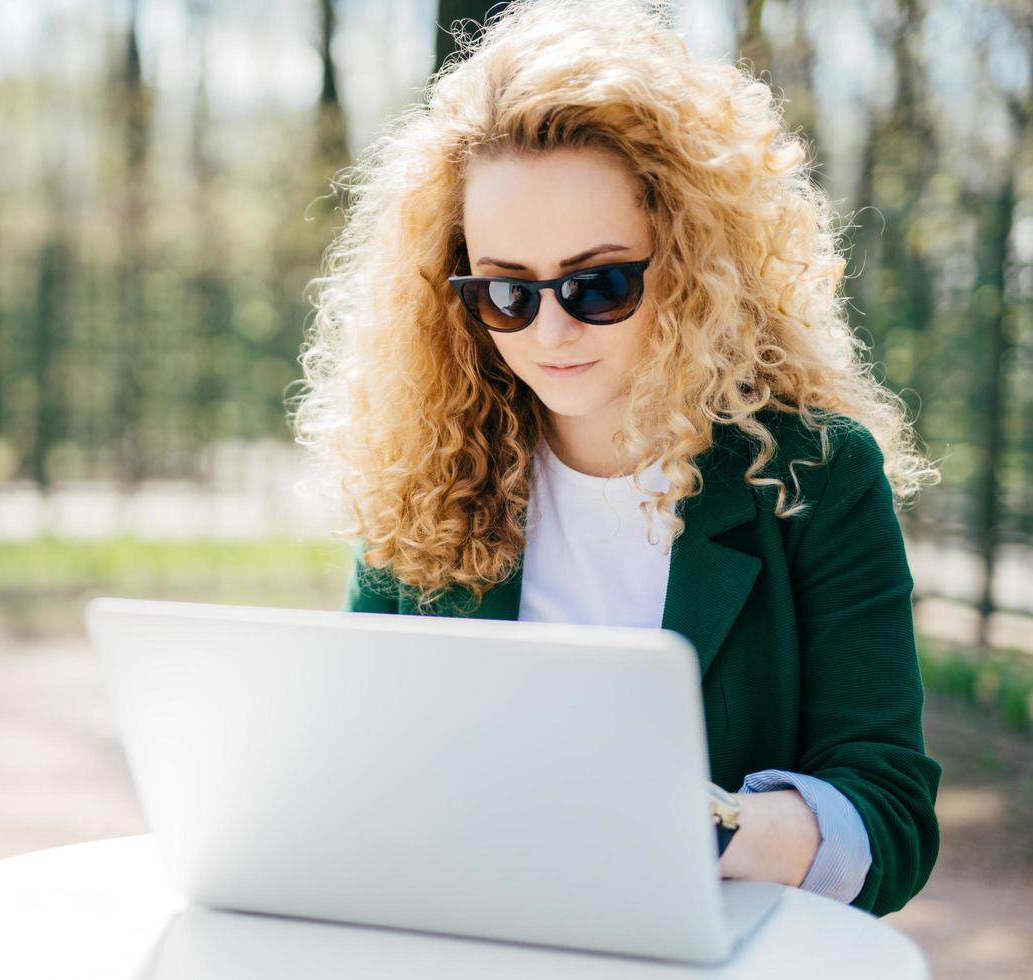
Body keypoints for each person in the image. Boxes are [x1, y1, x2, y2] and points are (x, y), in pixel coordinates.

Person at [289, 0, 941, 918]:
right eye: (506, 291)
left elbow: (892, 815)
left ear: (690, 261)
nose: (549, 332)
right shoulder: (426, 475)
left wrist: (697, 833)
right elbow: (364, 763)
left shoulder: (816, 475)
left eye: (597, 283)